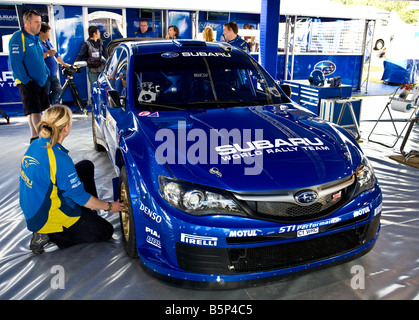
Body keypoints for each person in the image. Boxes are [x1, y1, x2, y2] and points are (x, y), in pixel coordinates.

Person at [19, 105, 125, 254]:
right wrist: (109, 206)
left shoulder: (36, 144)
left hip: (34, 209)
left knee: (85, 166)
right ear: (66, 128)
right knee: (105, 231)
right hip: (48, 217)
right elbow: (80, 196)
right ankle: (51, 234)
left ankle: (87, 215)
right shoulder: (59, 159)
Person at [9, 10, 50, 144]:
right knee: (35, 112)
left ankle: (36, 137)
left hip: (40, 81)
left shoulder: (36, 38)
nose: (39, 25)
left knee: (37, 111)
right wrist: (26, 80)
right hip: (28, 82)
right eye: (36, 22)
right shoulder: (18, 37)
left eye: (40, 22)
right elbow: (15, 62)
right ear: (27, 22)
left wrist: (46, 71)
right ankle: (39, 139)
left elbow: (39, 58)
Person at [39, 22, 71, 105]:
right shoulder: (37, 43)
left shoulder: (47, 42)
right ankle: (46, 108)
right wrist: (47, 54)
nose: (49, 34)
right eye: (48, 32)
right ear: (41, 32)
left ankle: (50, 105)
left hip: (53, 74)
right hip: (45, 74)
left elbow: (55, 54)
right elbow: (36, 57)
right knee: (45, 93)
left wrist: (63, 63)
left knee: (58, 91)